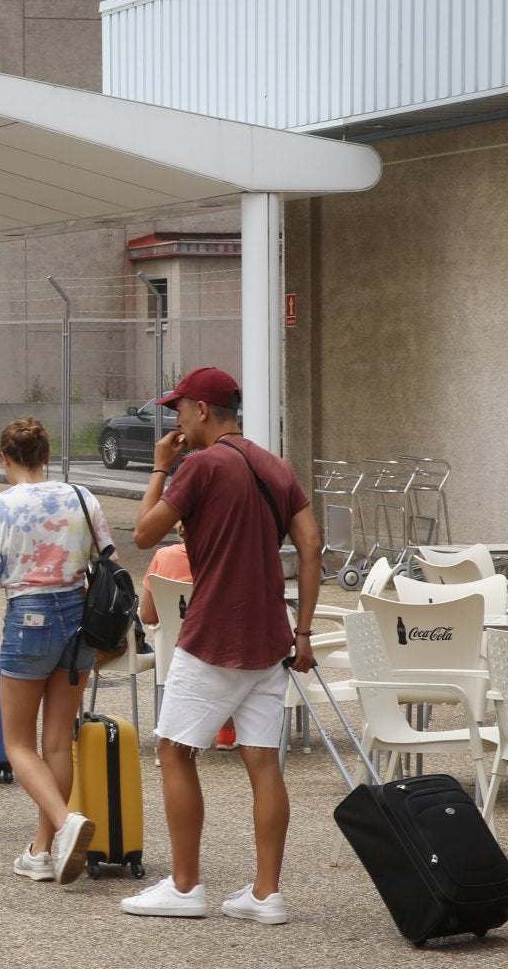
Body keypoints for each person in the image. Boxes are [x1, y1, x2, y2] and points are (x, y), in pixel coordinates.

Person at [124, 366, 321, 925]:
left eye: (180, 409)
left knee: (173, 749)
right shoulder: (276, 466)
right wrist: (303, 631)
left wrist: (161, 468)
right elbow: (312, 545)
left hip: (214, 632)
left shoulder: (200, 465)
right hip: (271, 638)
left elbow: (142, 534)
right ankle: (266, 894)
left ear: (203, 411)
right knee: (263, 762)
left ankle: (186, 887)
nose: (176, 419)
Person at [0, 418, 99, 885]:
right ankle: (42, 851)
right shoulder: (81, 497)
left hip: (30, 618)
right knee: (58, 741)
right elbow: (109, 561)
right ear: (47, 454)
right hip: (80, 617)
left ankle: (64, 826)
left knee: (18, 743)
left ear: (5, 458)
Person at [140, 523, 236, 750]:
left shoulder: (163, 557)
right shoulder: (228, 558)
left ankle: (174, 734)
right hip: (222, 651)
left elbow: (148, 615)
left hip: (174, 651)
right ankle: (227, 729)